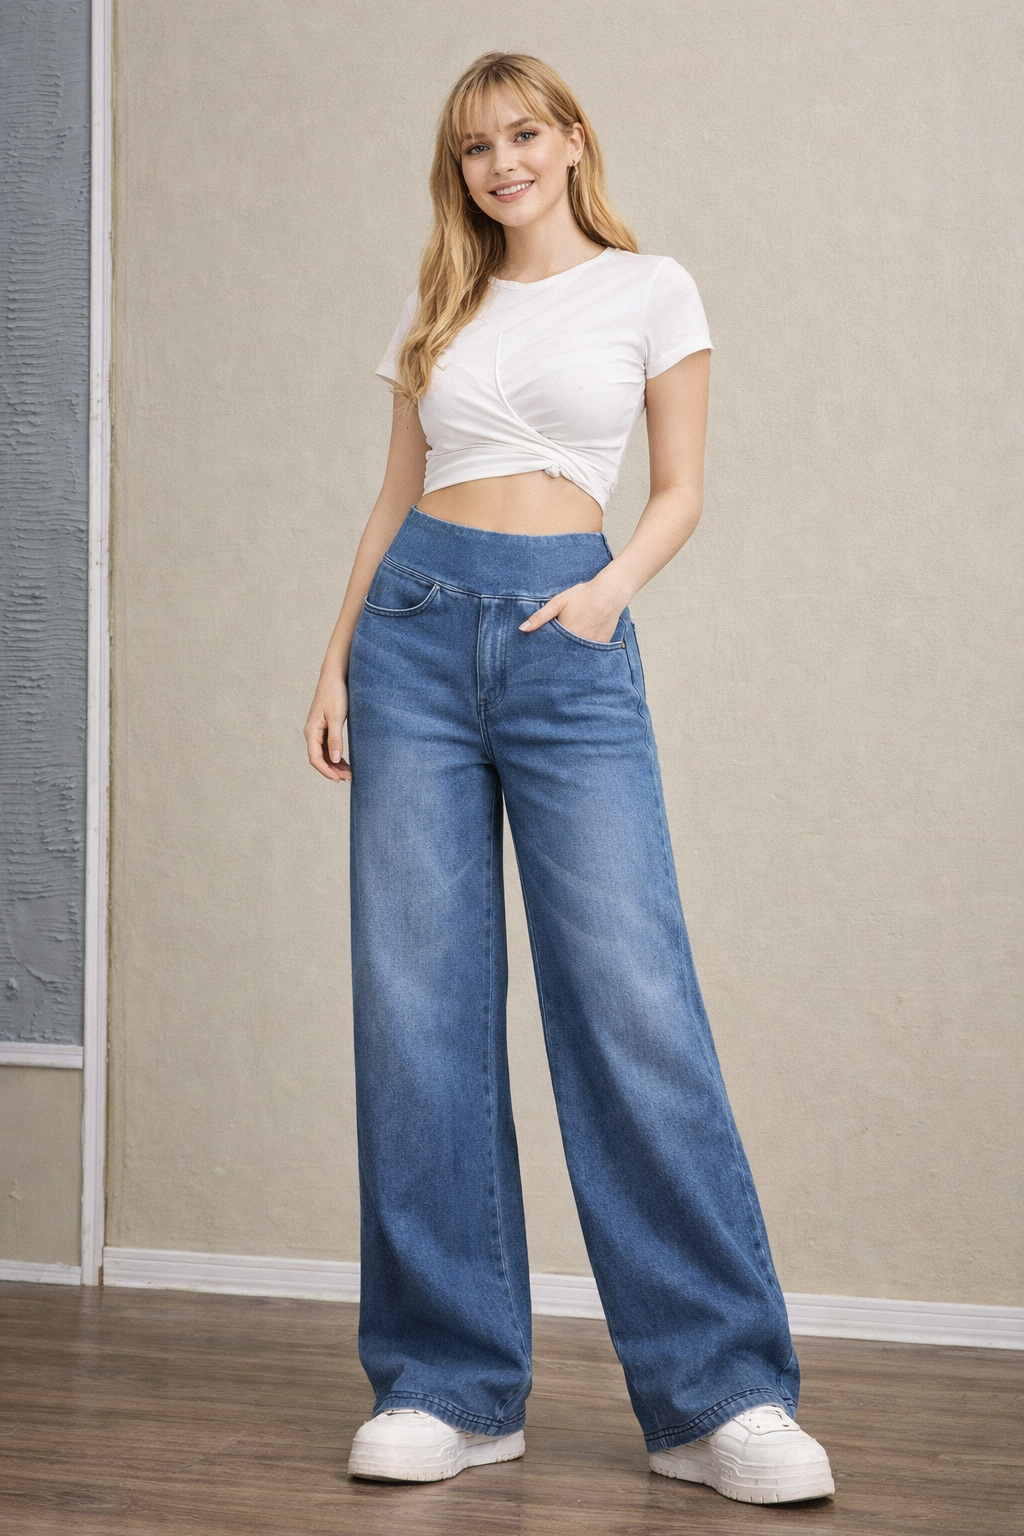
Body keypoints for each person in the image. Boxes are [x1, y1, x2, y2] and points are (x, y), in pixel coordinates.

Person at [304, 51, 834, 1507]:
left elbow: (681, 488)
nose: (503, 164)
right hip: (413, 633)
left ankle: (719, 1396)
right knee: (417, 1008)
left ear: (573, 139)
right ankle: (448, 1384)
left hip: (566, 630)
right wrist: (337, 661)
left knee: (630, 998)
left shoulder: (652, 289)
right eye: (477, 147)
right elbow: (393, 496)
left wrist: (606, 596)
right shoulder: (442, 303)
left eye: (524, 134)